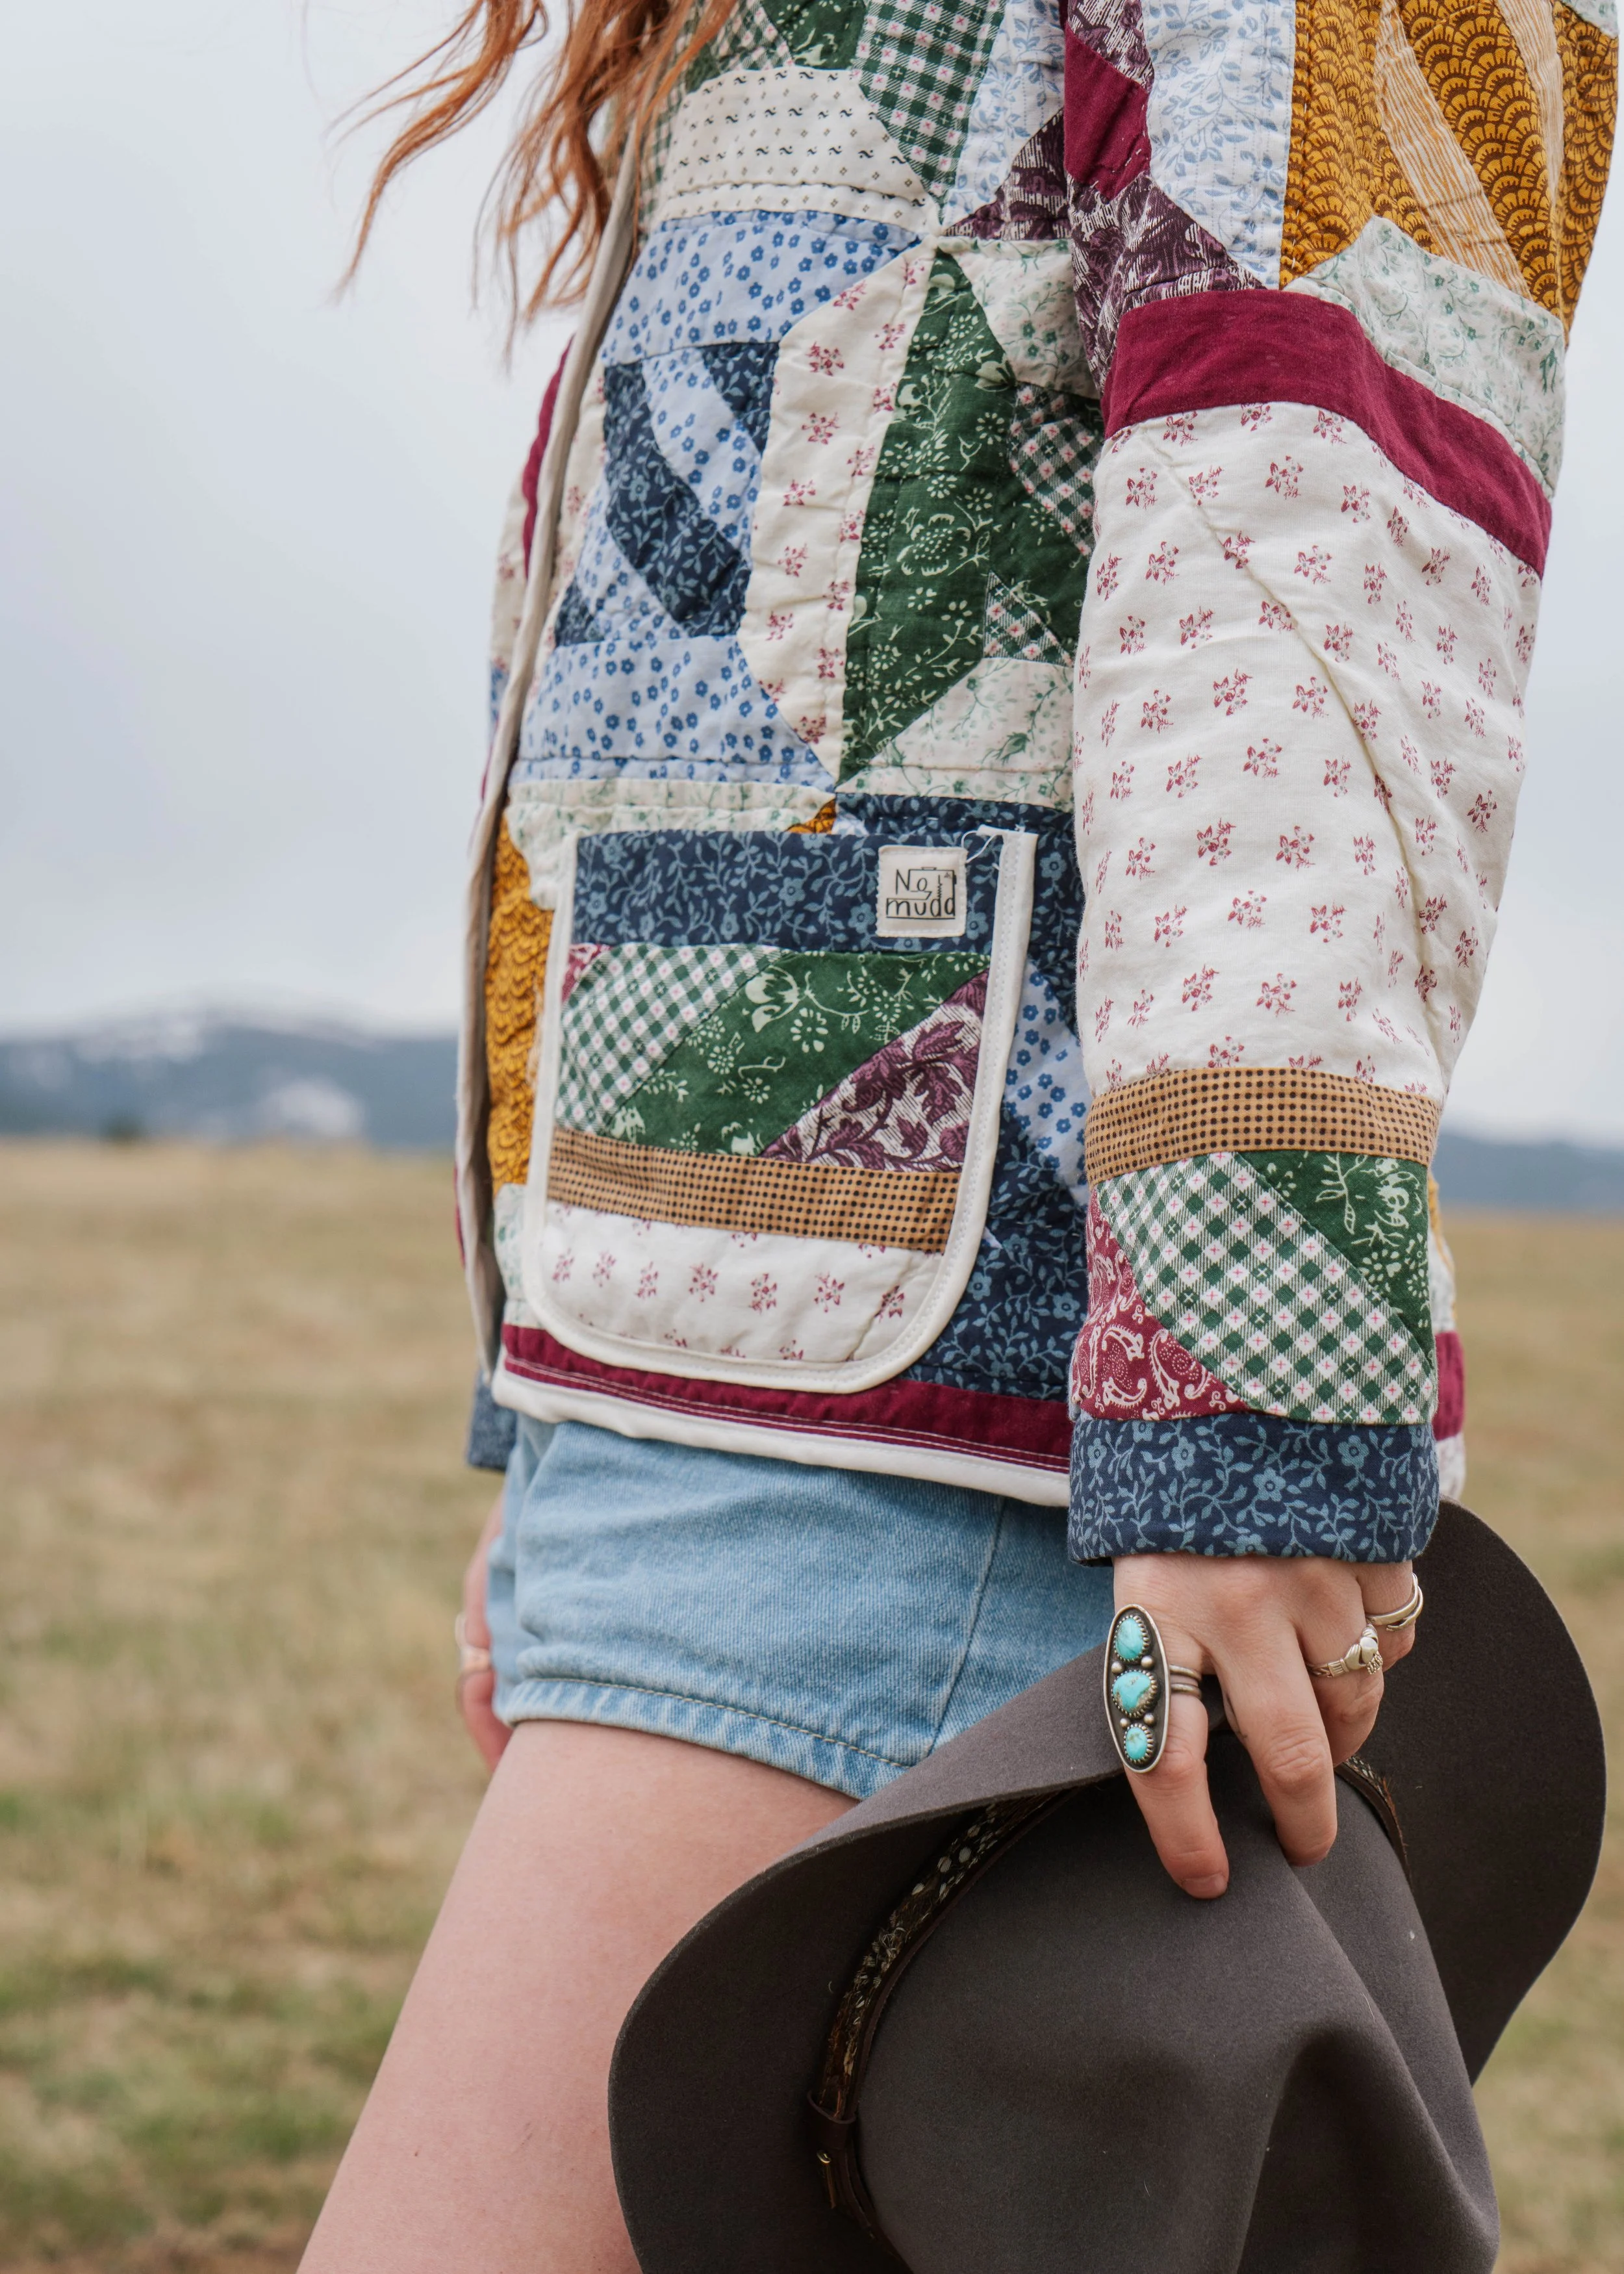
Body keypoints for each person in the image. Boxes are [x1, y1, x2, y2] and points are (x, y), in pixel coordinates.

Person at [300, 0, 1615, 2266]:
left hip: (944, 1449)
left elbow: (1319, 504)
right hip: (740, 1392)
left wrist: (1245, 1399)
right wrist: (556, 1430)